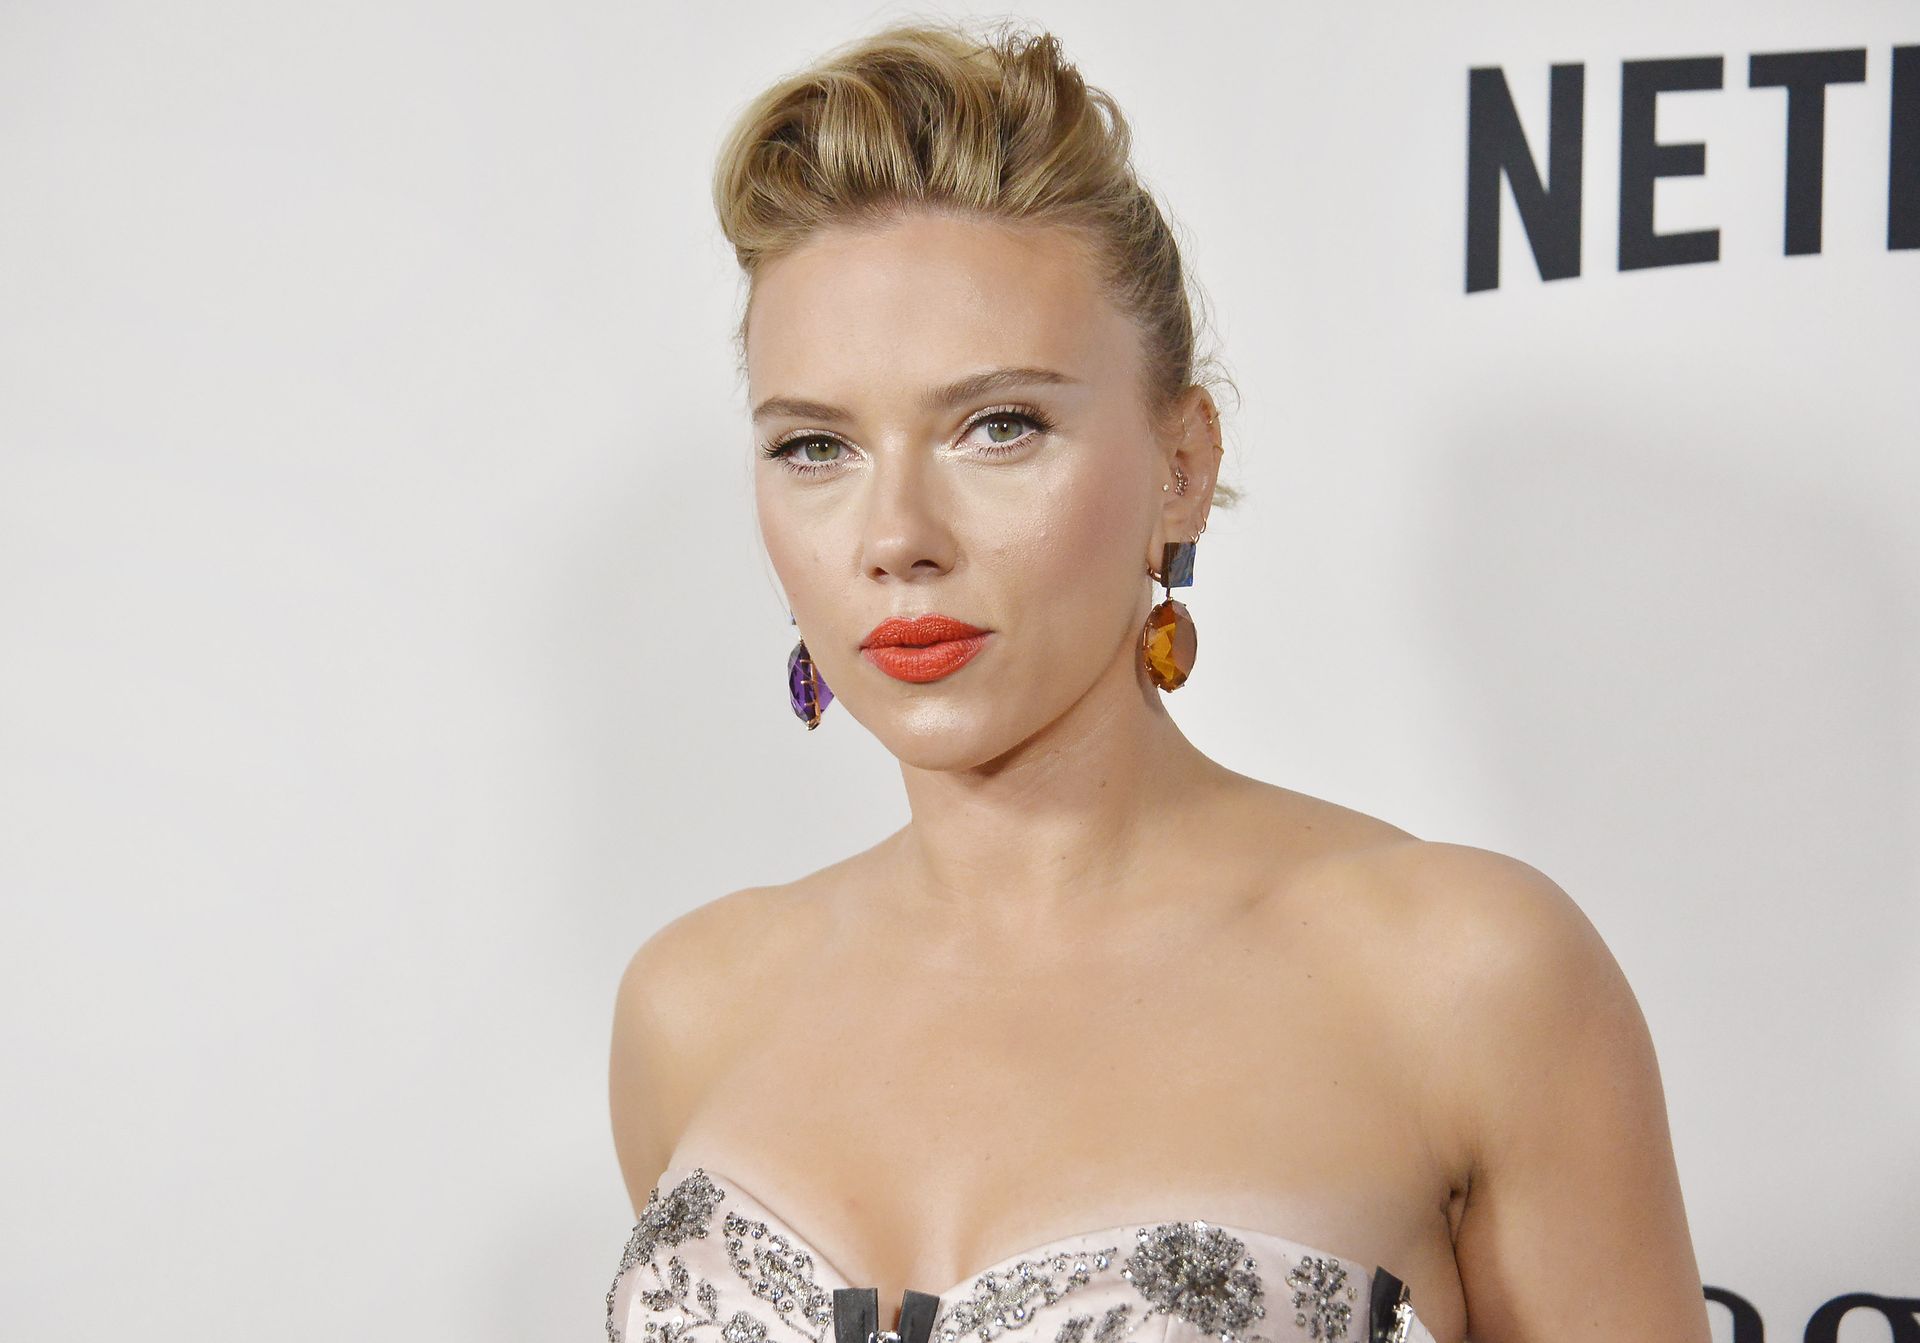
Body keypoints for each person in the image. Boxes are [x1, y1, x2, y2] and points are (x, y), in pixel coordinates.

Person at [607, 19, 1711, 1343]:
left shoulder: (1465, 979)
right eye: (814, 447)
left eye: (998, 426)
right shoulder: (694, 1006)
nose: (896, 536)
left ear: (1181, 467)